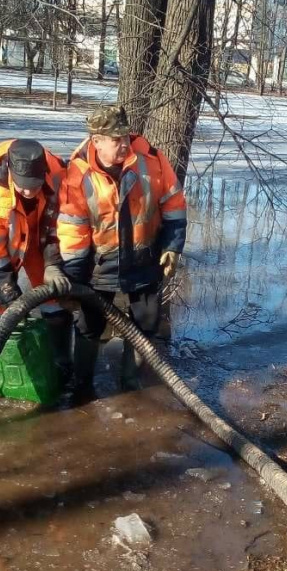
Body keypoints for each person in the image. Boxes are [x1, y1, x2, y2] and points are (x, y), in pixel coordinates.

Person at [53, 105, 187, 393]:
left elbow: (174, 205)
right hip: (99, 265)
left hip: (145, 256)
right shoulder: (77, 174)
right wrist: (74, 282)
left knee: (146, 322)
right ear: (96, 140)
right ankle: (82, 385)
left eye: (126, 137)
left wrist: (173, 246)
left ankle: (130, 384)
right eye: (116, 139)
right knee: (89, 324)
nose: (125, 144)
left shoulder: (151, 160)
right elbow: (73, 231)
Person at [0, 138, 72, 377]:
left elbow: (63, 226)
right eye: (23, 185)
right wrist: (11, 297)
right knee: (0, 307)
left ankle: (62, 366)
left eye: (34, 185)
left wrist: (53, 264)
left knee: (55, 297)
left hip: (41, 235)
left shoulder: (59, 177)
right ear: (12, 173)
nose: (28, 190)